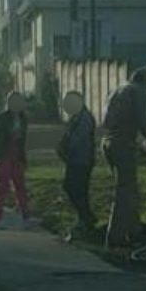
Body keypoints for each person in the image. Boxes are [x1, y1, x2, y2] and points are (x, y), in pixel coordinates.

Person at [101, 68, 146, 248]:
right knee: (124, 190)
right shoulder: (137, 92)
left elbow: (105, 120)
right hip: (123, 143)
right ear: (144, 80)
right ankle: (115, 235)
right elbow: (143, 119)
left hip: (108, 142)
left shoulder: (117, 90)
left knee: (130, 188)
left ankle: (134, 230)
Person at [57, 90, 96, 239]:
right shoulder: (76, 117)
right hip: (74, 159)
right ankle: (85, 218)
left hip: (82, 159)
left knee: (75, 188)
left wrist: (66, 149)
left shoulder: (85, 118)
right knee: (74, 188)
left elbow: (78, 139)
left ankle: (86, 218)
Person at [0, 91, 31, 227]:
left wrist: (23, 158)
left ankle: (25, 217)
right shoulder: (2, 118)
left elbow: (23, 140)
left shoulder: (23, 118)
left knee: (20, 186)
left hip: (16, 155)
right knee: (3, 186)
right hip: (3, 155)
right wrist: (10, 135)